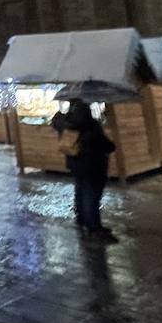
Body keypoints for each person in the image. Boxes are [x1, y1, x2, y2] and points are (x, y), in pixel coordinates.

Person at [52, 99, 118, 242]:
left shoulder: (64, 123)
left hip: (75, 163)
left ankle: (81, 218)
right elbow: (106, 145)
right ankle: (94, 227)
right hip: (94, 165)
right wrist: (112, 145)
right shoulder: (91, 125)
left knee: (81, 190)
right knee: (92, 197)